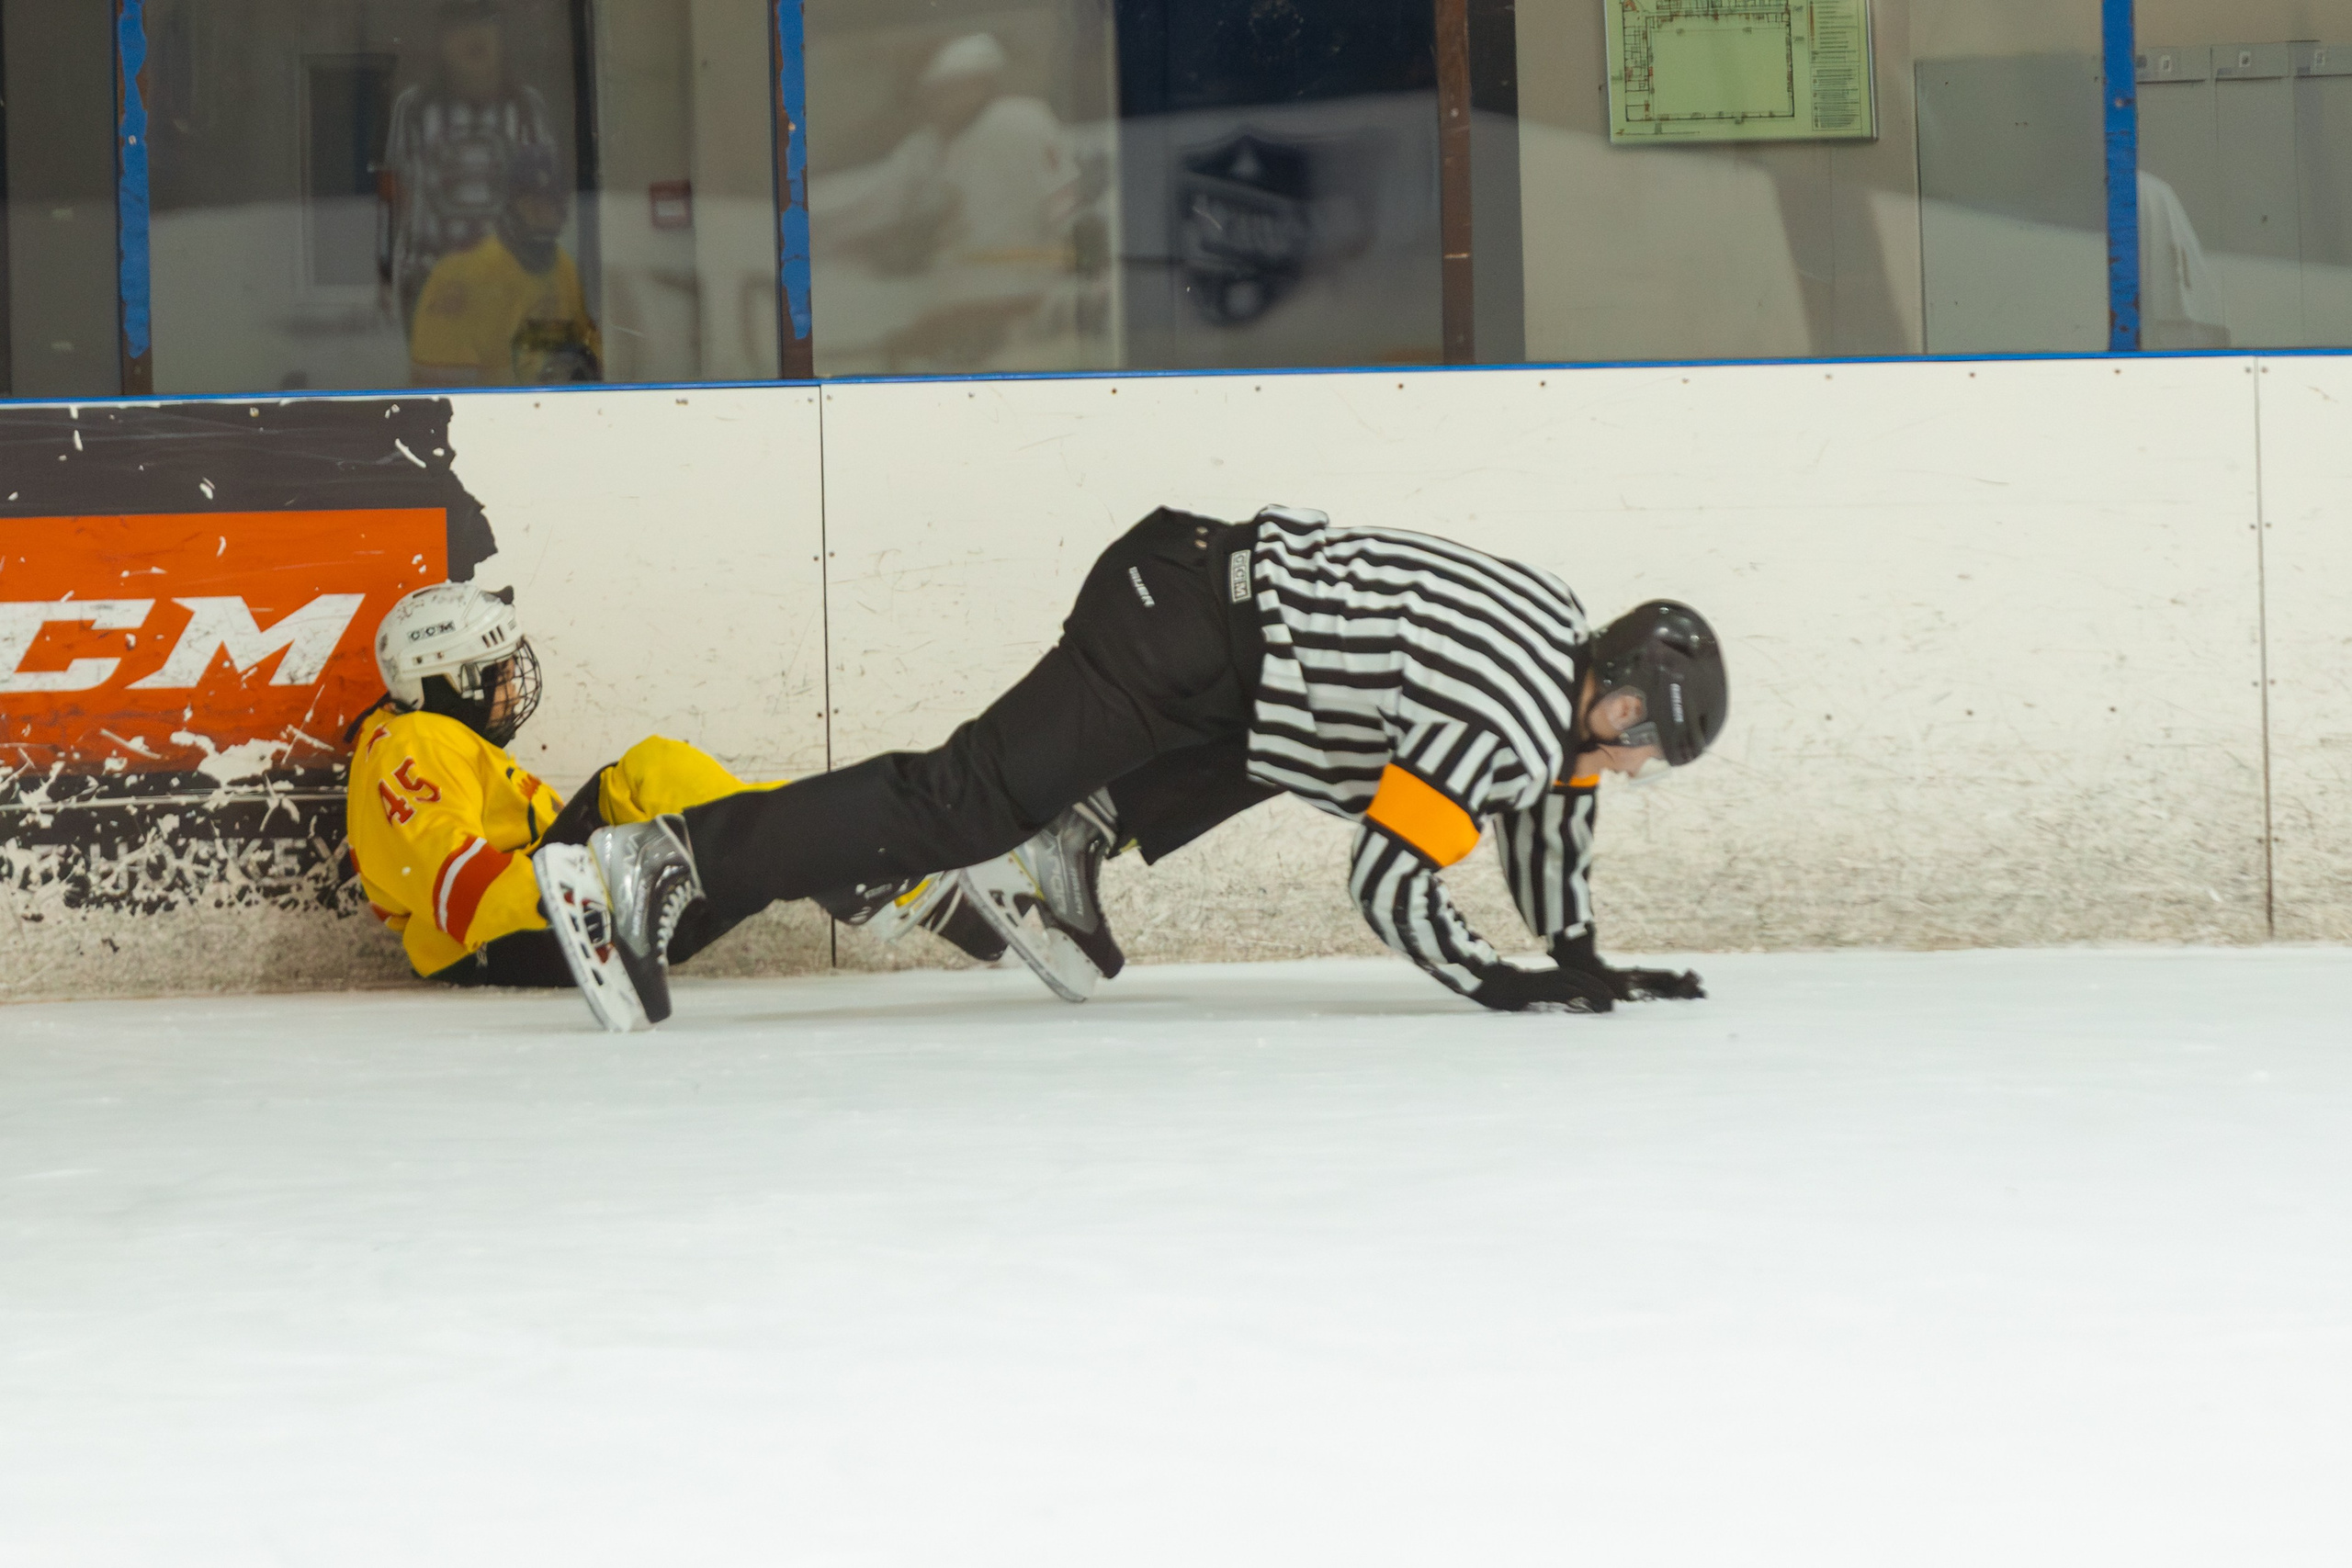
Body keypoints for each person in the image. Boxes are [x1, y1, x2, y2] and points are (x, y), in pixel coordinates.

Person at [535, 503, 1729, 1032]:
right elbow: (1390, 879)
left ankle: (1070, 841)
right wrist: (1498, 982)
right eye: (1648, 748)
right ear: (1622, 703)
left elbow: (1552, 808)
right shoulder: (1507, 719)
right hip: (1175, 631)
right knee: (962, 801)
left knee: (1325, 730)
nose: (1635, 770)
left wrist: (1578, 951)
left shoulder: (1556, 630)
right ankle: (661, 862)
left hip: (1206, 606)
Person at [345, 583, 1010, 1023]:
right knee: (670, 789)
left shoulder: (432, 739)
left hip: (540, 913)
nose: (510, 688)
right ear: (449, 680)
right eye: (494, 674)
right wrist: (624, 871)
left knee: (656, 779)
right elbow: (466, 895)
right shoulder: (411, 745)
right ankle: (858, 862)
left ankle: (853, 863)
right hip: (516, 937)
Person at [379, 0, 558, 334]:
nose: (475, 35)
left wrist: (545, 281)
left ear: (502, 37)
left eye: (486, 22)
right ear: (441, 41)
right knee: (440, 366)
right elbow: (395, 200)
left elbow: (546, 203)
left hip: (510, 283)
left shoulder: (526, 108)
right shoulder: (416, 109)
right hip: (433, 282)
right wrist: (387, 274)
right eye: (460, 25)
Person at [407, 143, 601, 386]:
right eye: (534, 201)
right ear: (510, 203)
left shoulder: (565, 269)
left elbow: (590, 352)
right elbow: (432, 380)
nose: (549, 213)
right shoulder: (460, 276)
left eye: (555, 201)